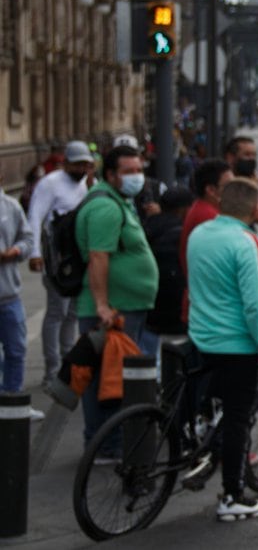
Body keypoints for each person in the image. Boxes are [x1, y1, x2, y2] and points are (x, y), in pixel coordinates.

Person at [186, 178, 258, 521]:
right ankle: (232, 496)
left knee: (213, 407)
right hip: (237, 346)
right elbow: (255, 305)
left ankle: (200, 449)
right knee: (239, 418)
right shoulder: (247, 242)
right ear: (254, 208)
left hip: (202, 338)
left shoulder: (199, 234)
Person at [76, 145, 160, 457]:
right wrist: (102, 305)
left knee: (115, 374)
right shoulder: (105, 208)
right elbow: (99, 256)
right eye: (128, 172)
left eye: (139, 170)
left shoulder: (118, 202)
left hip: (126, 307)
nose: (136, 177)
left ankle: (109, 441)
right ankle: (104, 445)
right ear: (110, 174)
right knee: (105, 376)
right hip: (112, 309)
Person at [26, 141, 93, 391]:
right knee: (57, 313)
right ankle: (52, 370)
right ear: (66, 163)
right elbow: (35, 216)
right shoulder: (50, 183)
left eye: (85, 165)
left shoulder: (85, 183)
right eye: (78, 164)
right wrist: (34, 252)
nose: (82, 169)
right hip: (57, 261)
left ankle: (67, 365)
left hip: (77, 260)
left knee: (73, 314)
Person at [0, 174, 37, 419]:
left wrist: (16, 251)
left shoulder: (10, 206)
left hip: (8, 296)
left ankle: (13, 402)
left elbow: (27, 238)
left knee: (16, 350)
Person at [144, 185, 194, 337]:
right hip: (174, 314)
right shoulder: (181, 235)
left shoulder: (146, 226)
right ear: (184, 210)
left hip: (148, 308)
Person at [181, 159, 233, 276]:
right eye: (229, 186)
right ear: (211, 190)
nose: (234, 190)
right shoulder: (209, 218)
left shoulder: (202, 209)